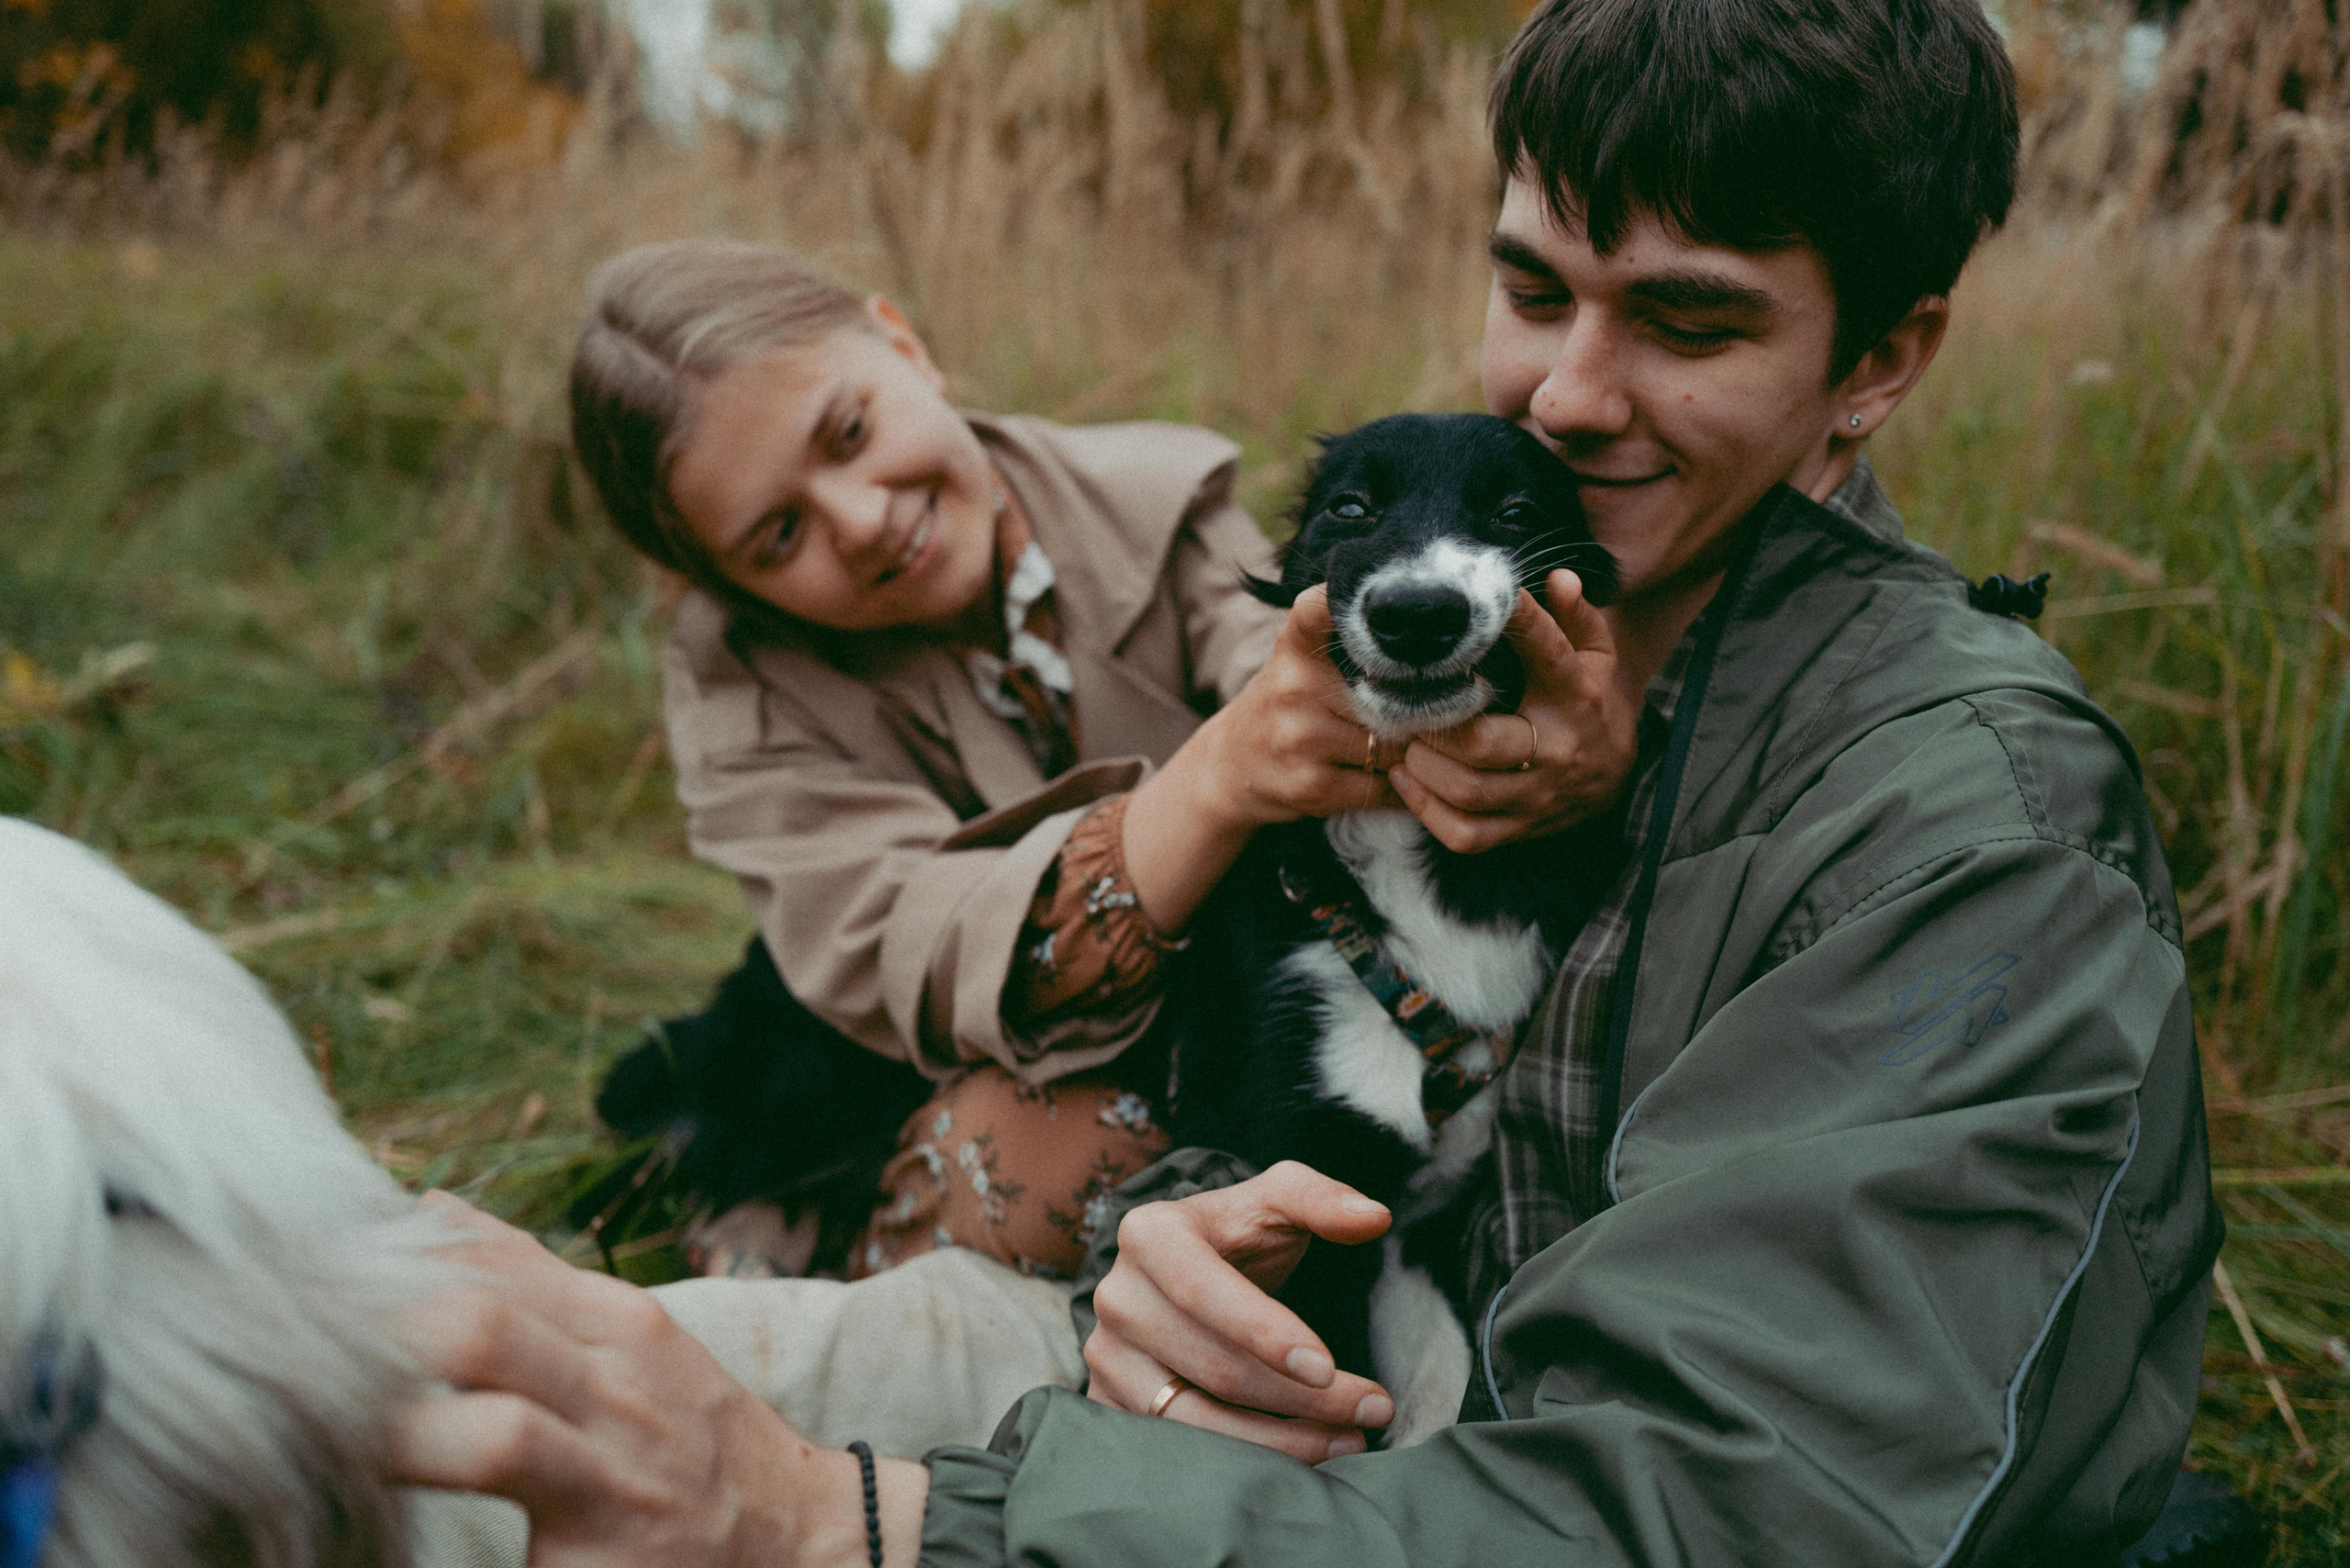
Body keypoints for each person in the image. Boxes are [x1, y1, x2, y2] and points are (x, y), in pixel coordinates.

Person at [388, 0, 2224, 1561]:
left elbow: (1710, 1496)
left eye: (1683, 322)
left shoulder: (1963, 830)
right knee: (469, 1397)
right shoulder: (1460, 610)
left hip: (1437, 1478)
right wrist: (1178, 1231)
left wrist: (836, 1516)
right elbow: (1229, 1013)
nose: (1567, 394)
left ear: (1879, 360)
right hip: (1219, 1385)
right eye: (1528, 286)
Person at [566, 241, 1625, 1287]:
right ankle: (792, 1217)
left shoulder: (1151, 502)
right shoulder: (744, 701)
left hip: (1209, 1003)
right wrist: (1218, 778)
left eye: (849, 431)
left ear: (903, 345)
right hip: (895, 1056)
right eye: (776, 534)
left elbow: (1269, 644)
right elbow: (898, 949)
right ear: (717, 581)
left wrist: (1526, 733)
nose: (862, 518)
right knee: (1036, 1164)